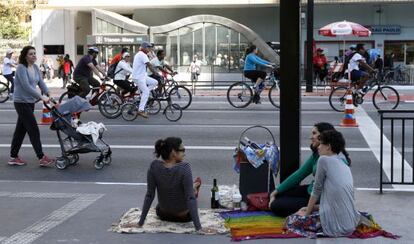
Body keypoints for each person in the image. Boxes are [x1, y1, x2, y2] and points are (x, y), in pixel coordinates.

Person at [269, 122, 351, 217]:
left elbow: (318, 190)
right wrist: (275, 192)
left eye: (314, 133)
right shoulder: (318, 154)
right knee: (276, 193)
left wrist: (309, 210)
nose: (310, 137)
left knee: (276, 205)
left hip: (318, 199)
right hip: (310, 191)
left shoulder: (335, 159)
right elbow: (299, 174)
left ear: (324, 136)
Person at [288, 130, 360, 238]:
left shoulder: (323, 160)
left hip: (335, 228)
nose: (318, 147)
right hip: (351, 224)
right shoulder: (342, 162)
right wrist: (311, 208)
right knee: (306, 209)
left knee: (290, 221)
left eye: (321, 143)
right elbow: (335, 200)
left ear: (328, 146)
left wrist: (306, 215)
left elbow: (316, 190)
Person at [134, 137, 213, 234]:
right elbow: (190, 198)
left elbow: (149, 195)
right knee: (191, 193)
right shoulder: (184, 168)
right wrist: (199, 228)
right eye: (182, 150)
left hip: (163, 215)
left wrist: (140, 223)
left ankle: (194, 186)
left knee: (178, 191)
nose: (184, 153)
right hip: (184, 217)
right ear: (173, 153)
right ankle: (195, 187)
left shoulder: (154, 166)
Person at [8, 46, 55, 167]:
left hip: (30, 102)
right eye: (30, 54)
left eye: (34, 53)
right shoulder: (21, 68)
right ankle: (41, 157)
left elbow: (41, 82)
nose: (34, 55)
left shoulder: (34, 67)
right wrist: (42, 96)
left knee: (20, 130)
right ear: (25, 56)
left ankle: (13, 157)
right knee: (33, 129)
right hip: (21, 102)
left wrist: (48, 93)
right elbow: (26, 86)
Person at [131, 42, 158, 118]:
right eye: (148, 47)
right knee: (146, 91)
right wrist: (156, 73)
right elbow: (149, 65)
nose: (149, 49)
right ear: (144, 48)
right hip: (138, 77)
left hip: (142, 76)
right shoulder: (142, 55)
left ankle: (144, 95)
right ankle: (140, 110)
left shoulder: (141, 54)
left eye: (150, 48)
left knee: (155, 82)